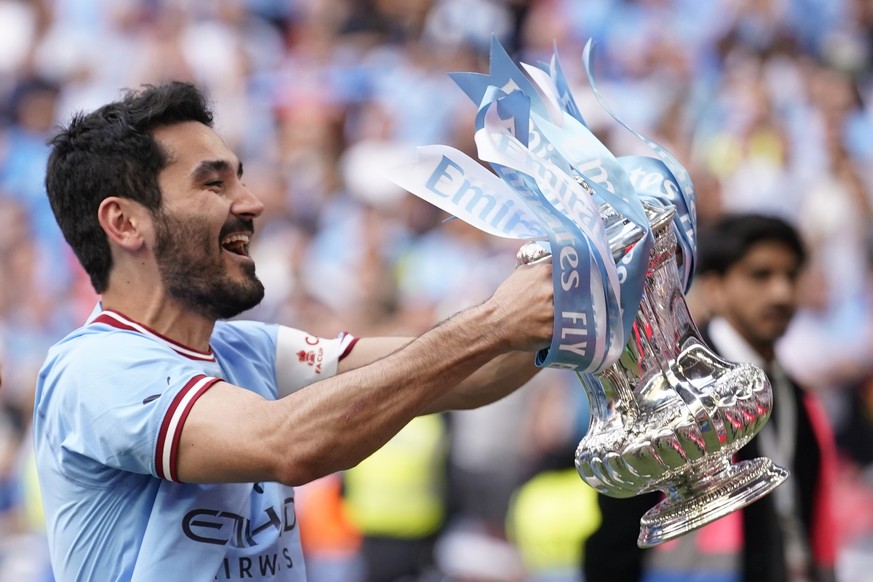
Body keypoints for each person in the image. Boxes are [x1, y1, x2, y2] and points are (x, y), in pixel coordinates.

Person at [32, 81, 556, 581]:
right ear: (124, 223)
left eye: (240, 177)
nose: (252, 202)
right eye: (214, 183)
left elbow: (471, 373)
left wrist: (575, 296)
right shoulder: (95, 369)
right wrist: (493, 322)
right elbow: (290, 444)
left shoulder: (249, 350)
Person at [583, 213, 837, 582]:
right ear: (714, 287)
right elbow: (618, 541)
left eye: (791, 275)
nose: (781, 292)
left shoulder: (800, 399)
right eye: (760, 275)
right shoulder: (671, 394)